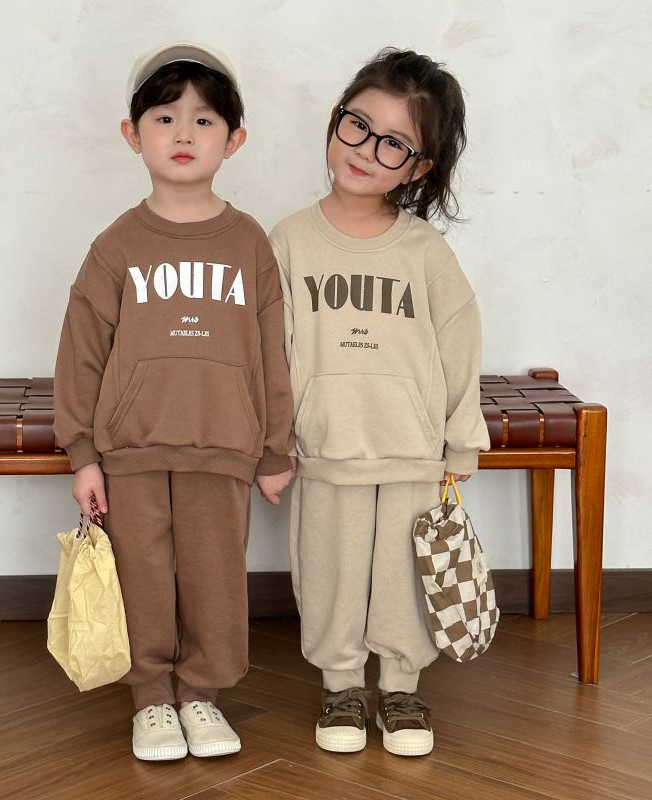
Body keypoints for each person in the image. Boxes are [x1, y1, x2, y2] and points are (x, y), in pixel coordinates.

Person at [53, 42, 295, 763]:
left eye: (204, 120)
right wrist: (83, 453)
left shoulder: (249, 243)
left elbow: (272, 353)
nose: (183, 133)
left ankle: (202, 694)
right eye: (164, 118)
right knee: (143, 579)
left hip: (222, 445)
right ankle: (152, 700)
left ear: (234, 139)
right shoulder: (116, 245)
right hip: (129, 451)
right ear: (132, 135)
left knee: (216, 579)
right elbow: (81, 353)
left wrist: (274, 450)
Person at [269, 47, 490, 757]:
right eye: (358, 125)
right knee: (327, 572)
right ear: (336, 121)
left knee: (403, 576)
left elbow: (460, 344)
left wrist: (461, 441)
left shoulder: (424, 252)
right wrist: (274, 443)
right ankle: (340, 686)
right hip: (325, 447)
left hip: (411, 451)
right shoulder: (289, 240)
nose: (366, 149)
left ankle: (400, 689)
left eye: (394, 142)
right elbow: (269, 350)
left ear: (418, 168)